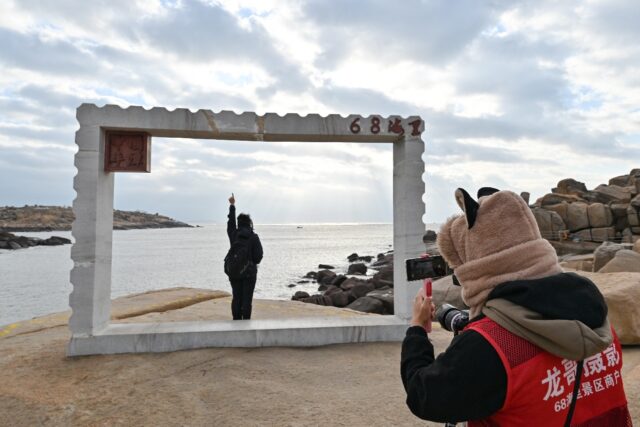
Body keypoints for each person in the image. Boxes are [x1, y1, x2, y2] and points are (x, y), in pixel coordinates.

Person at [401, 188, 631, 426]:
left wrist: (417, 329)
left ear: (476, 266)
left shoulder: (491, 345)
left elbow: (424, 396)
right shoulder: (597, 317)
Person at [225, 193, 263, 320]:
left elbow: (230, 223)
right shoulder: (253, 237)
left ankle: (236, 324)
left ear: (239, 224)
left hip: (234, 272)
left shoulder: (234, 234)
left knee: (236, 297)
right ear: (249, 223)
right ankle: (246, 326)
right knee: (247, 300)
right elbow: (258, 257)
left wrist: (232, 205)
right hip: (249, 274)